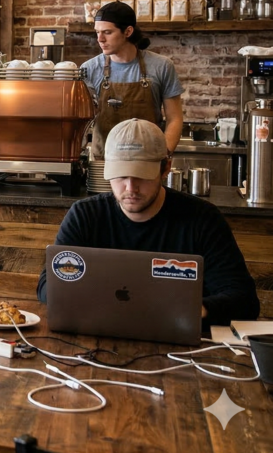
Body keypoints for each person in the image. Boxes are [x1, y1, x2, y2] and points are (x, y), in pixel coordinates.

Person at [36, 119, 259, 326]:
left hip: (180, 345)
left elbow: (244, 300)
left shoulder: (202, 220)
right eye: (121, 176)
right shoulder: (85, 215)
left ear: (166, 168)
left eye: (142, 176)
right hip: (99, 334)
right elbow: (48, 287)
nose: (130, 188)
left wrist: (194, 310)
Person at [81, 1, 184, 160]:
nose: (100, 39)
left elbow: (174, 118)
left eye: (107, 32)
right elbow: (82, 121)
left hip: (148, 161)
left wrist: (164, 153)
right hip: (104, 163)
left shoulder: (161, 66)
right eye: (97, 32)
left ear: (128, 31)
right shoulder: (89, 69)